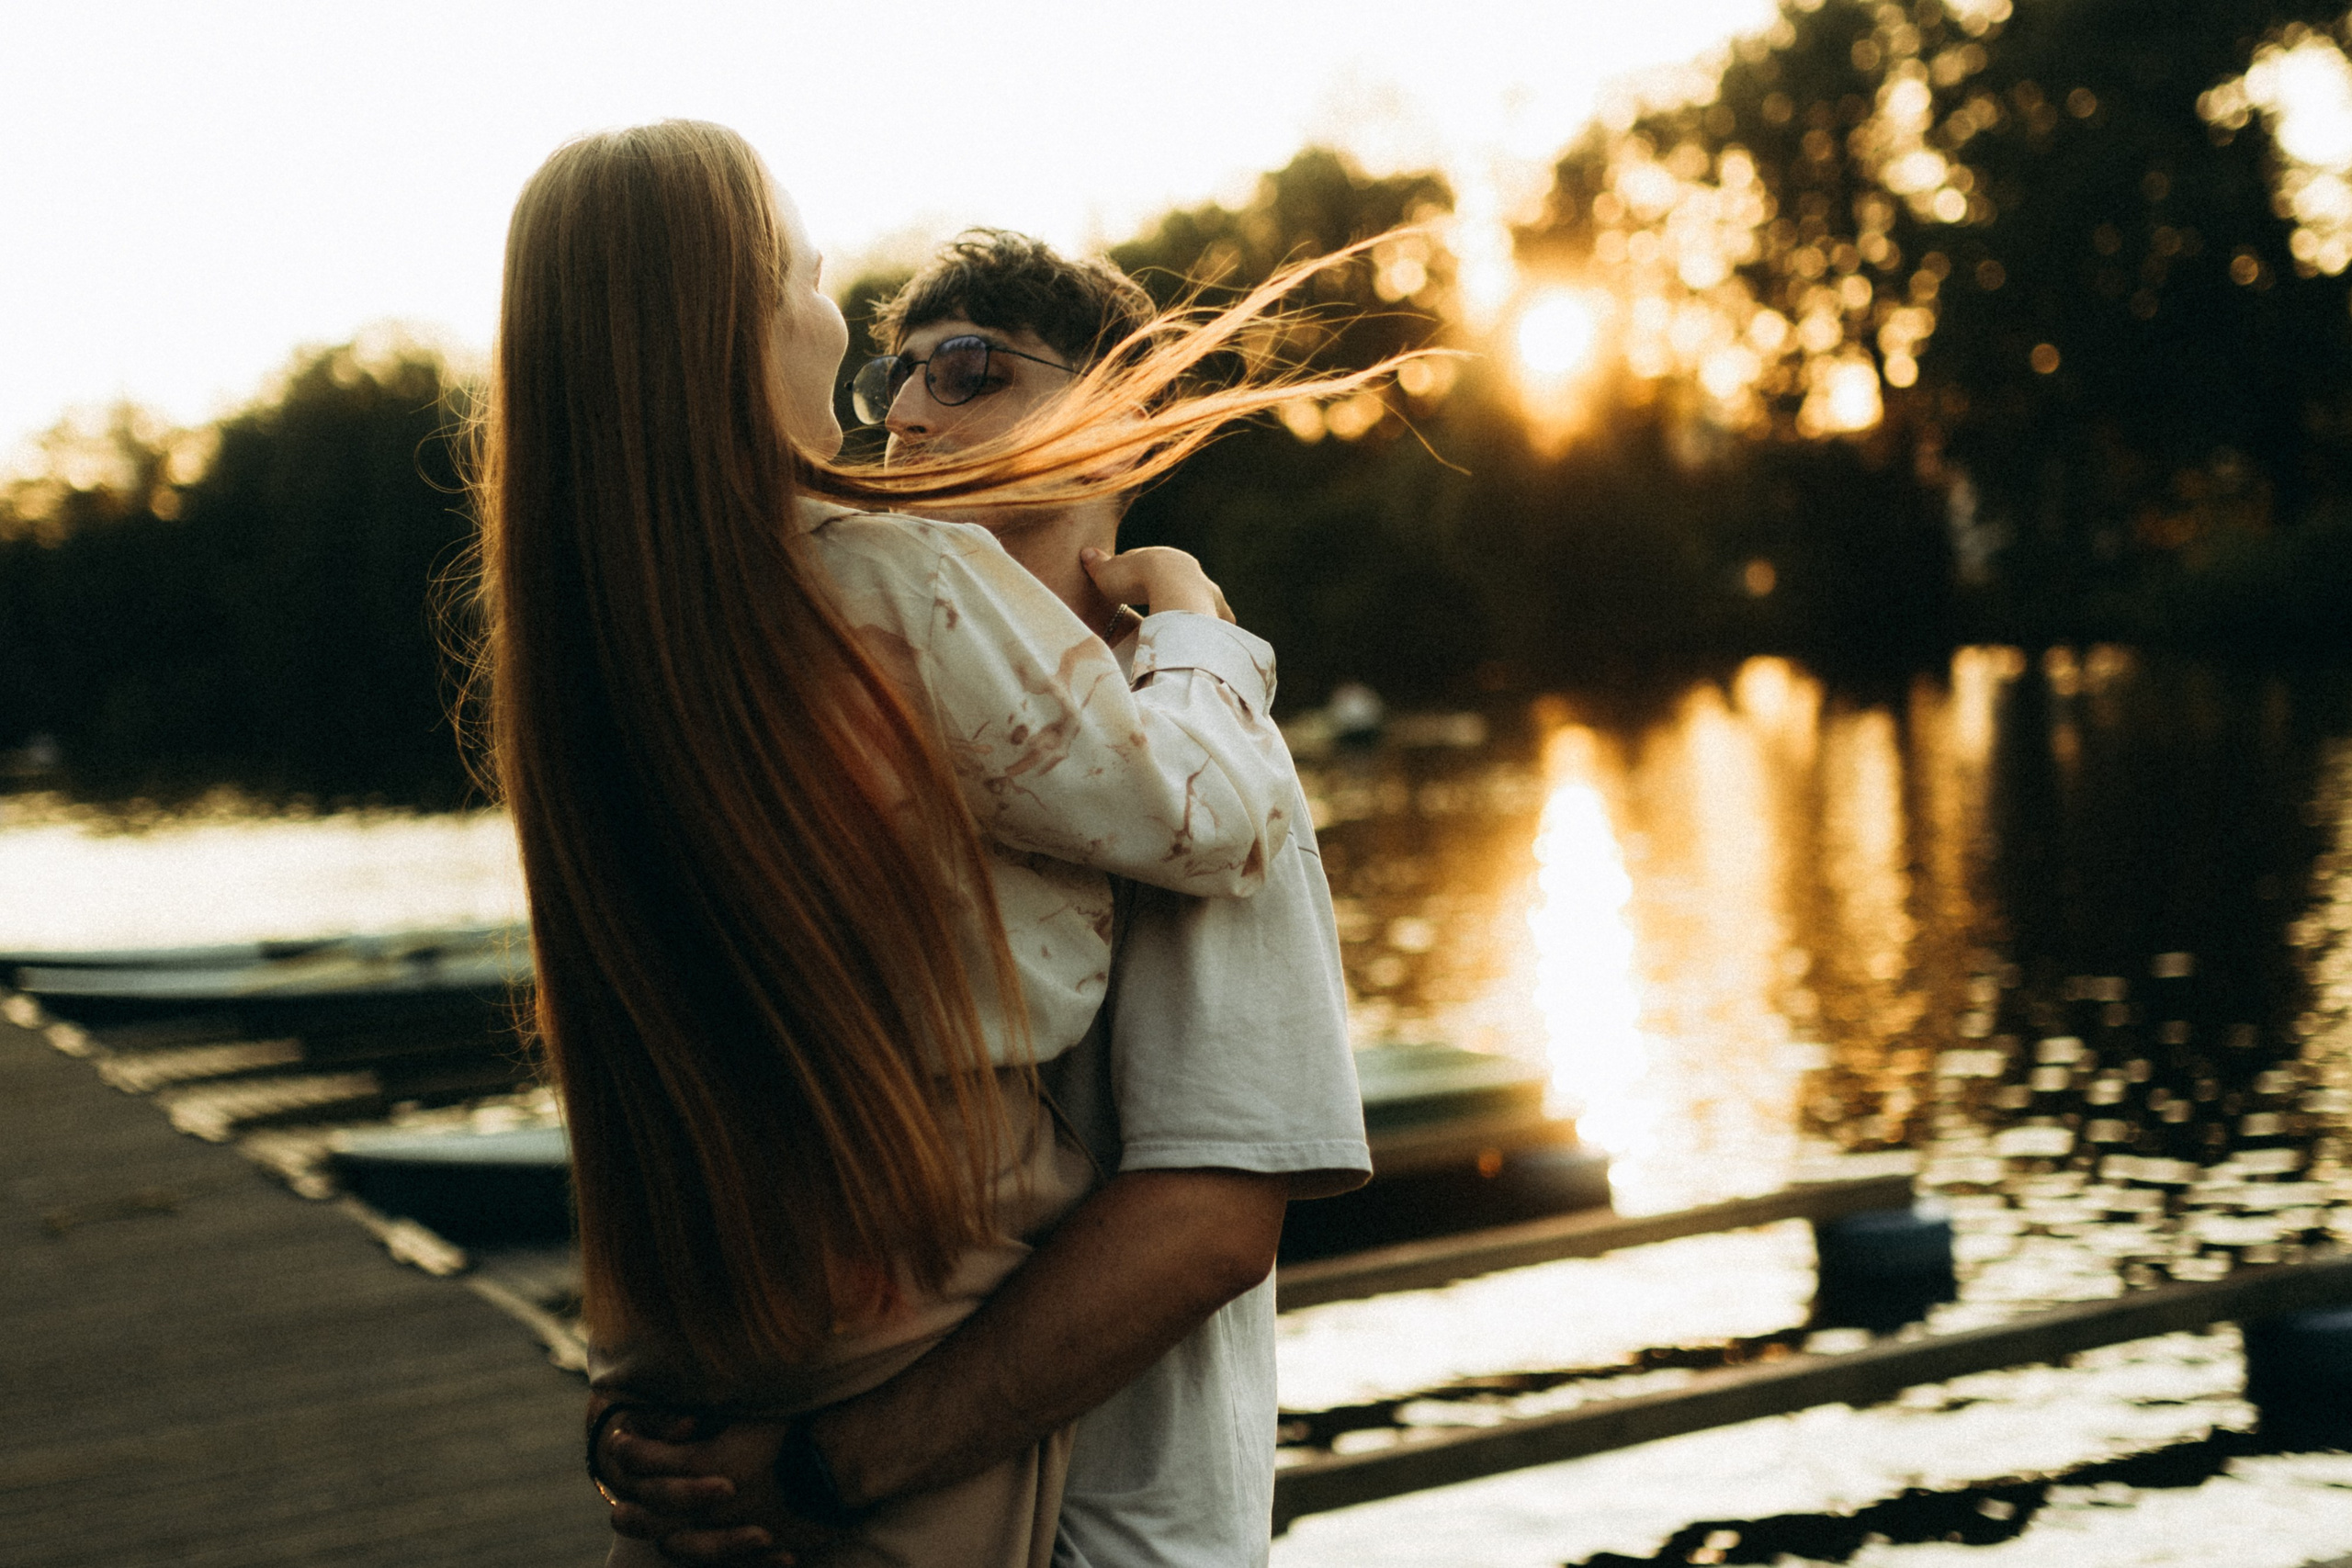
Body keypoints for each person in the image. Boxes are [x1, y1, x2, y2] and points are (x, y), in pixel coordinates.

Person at [478, 123, 1405, 1567]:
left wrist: (783, 1456)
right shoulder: (813, 635)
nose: (901, 400)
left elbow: (1216, 1220)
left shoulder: (1201, 737)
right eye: (889, 360)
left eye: (970, 366)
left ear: (1112, 423)